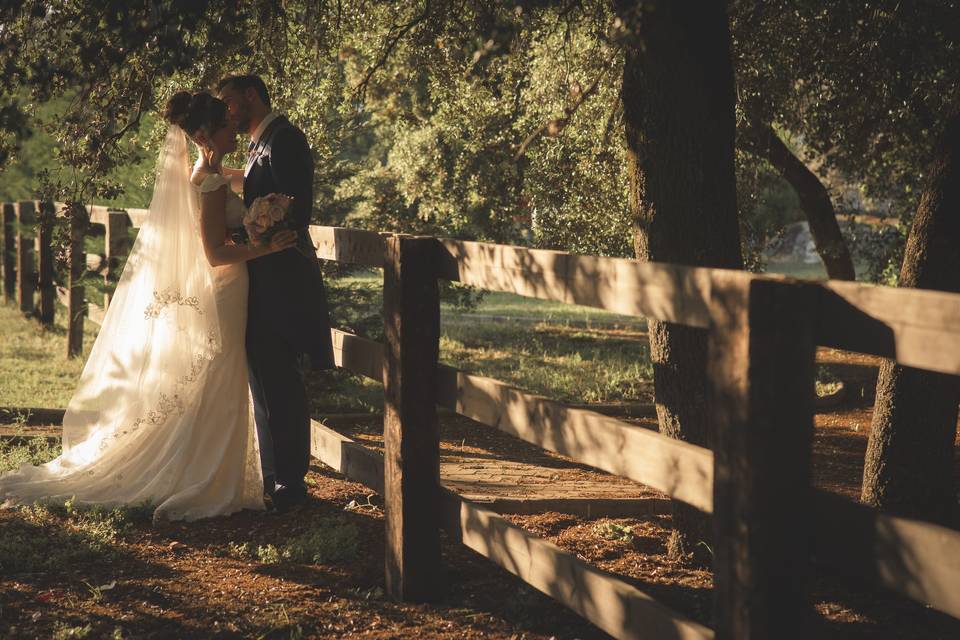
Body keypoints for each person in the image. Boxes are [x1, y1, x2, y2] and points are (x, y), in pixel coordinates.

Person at [0, 91, 295, 521]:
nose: (234, 129)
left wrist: (264, 207)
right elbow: (214, 253)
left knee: (217, 377)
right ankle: (203, 474)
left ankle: (207, 468)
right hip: (225, 285)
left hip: (228, 289)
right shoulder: (207, 181)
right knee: (217, 375)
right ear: (205, 134)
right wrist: (265, 248)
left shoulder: (207, 171)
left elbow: (241, 179)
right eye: (227, 126)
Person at [216, 75, 334, 510]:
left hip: (281, 277)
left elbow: (295, 206)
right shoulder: (256, 145)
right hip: (259, 274)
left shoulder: (285, 139)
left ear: (251, 96)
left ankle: (291, 482)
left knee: (280, 377)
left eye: (229, 101)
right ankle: (274, 475)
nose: (226, 110)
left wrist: (264, 233)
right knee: (262, 376)